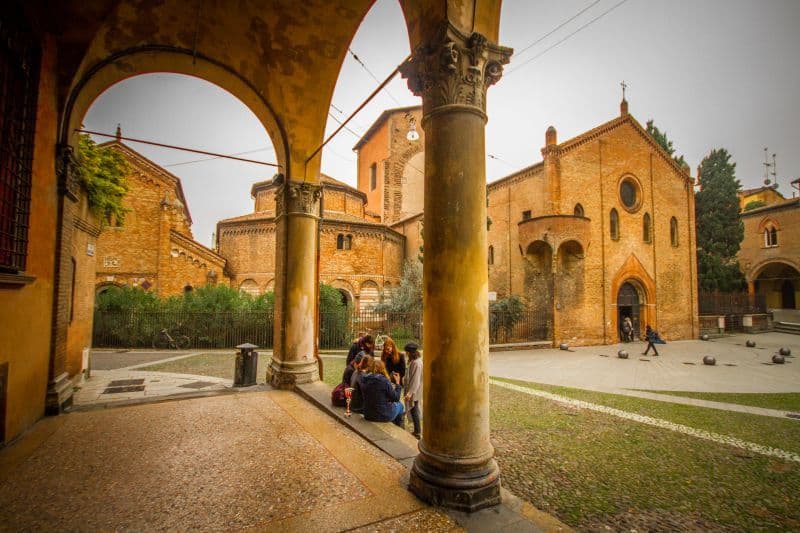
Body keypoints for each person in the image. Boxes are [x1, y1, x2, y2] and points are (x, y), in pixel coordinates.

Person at [361, 359, 404, 426]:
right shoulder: (383, 381)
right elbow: (396, 398)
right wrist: (398, 383)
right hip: (382, 415)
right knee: (400, 406)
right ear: (382, 368)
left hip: (368, 414)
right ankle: (401, 430)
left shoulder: (365, 379)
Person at [403, 342, 422, 439]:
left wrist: (410, 393)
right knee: (414, 409)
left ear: (410, 353)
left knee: (414, 409)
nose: (406, 354)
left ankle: (418, 432)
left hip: (414, 391)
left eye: (407, 352)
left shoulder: (416, 363)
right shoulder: (414, 362)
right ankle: (417, 430)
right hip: (412, 390)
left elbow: (416, 380)